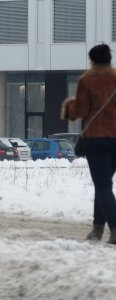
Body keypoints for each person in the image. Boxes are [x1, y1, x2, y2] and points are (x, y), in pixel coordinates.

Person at [61, 43, 116, 244]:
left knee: (102, 186)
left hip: (96, 138)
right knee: (104, 186)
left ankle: (114, 229)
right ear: (109, 59)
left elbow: (81, 111)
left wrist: (69, 106)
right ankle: (97, 230)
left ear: (92, 60)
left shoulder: (86, 80)